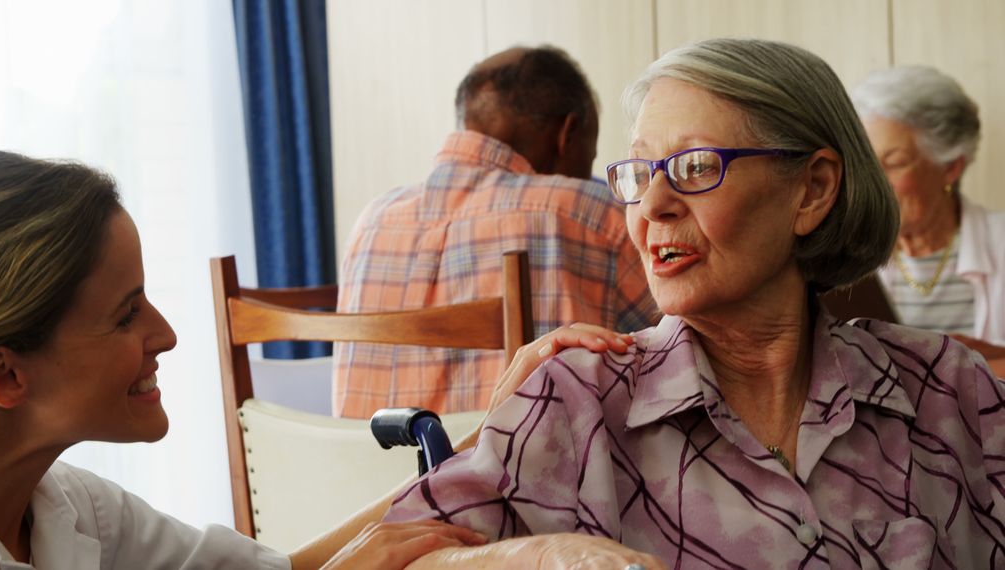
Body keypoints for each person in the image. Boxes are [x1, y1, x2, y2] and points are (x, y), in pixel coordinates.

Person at [384, 38, 1005, 568]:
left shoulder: (949, 389)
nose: (651, 205)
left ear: (812, 190)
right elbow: (396, 555)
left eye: (695, 165)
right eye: (639, 171)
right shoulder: (576, 398)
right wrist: (539, 556)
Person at [0, 151, 640, 569]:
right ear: (5, 375)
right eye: (125, 314)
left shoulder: (61, 503)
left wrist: (485, 435)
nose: (167, 334)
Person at [333, 45, 657, 419]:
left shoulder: (372, 220)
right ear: (567, 134)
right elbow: (685, 343)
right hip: (509, 473)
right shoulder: (587, 211)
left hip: (369, 475)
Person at [851, 65, 1005, 374]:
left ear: (949, 167)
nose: (874, 182)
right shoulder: (846, 255)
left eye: (894, 163)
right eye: (867, 162)